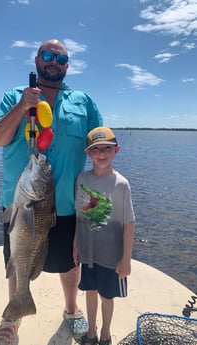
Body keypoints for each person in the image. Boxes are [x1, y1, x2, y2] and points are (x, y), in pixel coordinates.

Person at [0, 38, 103, 344]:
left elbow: (98, 150)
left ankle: (71, 309)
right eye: (48, 55)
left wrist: (100, 200)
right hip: (21, 204)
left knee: (70, 263)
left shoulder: (84, 102)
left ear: (67, 66)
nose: (53, 62)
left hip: (67, 204)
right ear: (37, 60)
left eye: (60, 58)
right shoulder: (13, 96)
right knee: (18, 262)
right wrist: (22, 106)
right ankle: (11, 318)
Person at [73, 127, 135, 345]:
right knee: (90, 291)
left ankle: (106, 334)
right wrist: (75, 244)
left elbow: (129, 223)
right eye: (95, 149)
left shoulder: (121, 184)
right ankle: (91, 331)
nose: (101, 154)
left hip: (111, 255)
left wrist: (126, 258)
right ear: (88, 153)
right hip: (88, 251)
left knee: (107, 296)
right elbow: (79, 214)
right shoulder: (82, 178)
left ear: (116, 150)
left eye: (107, 149)